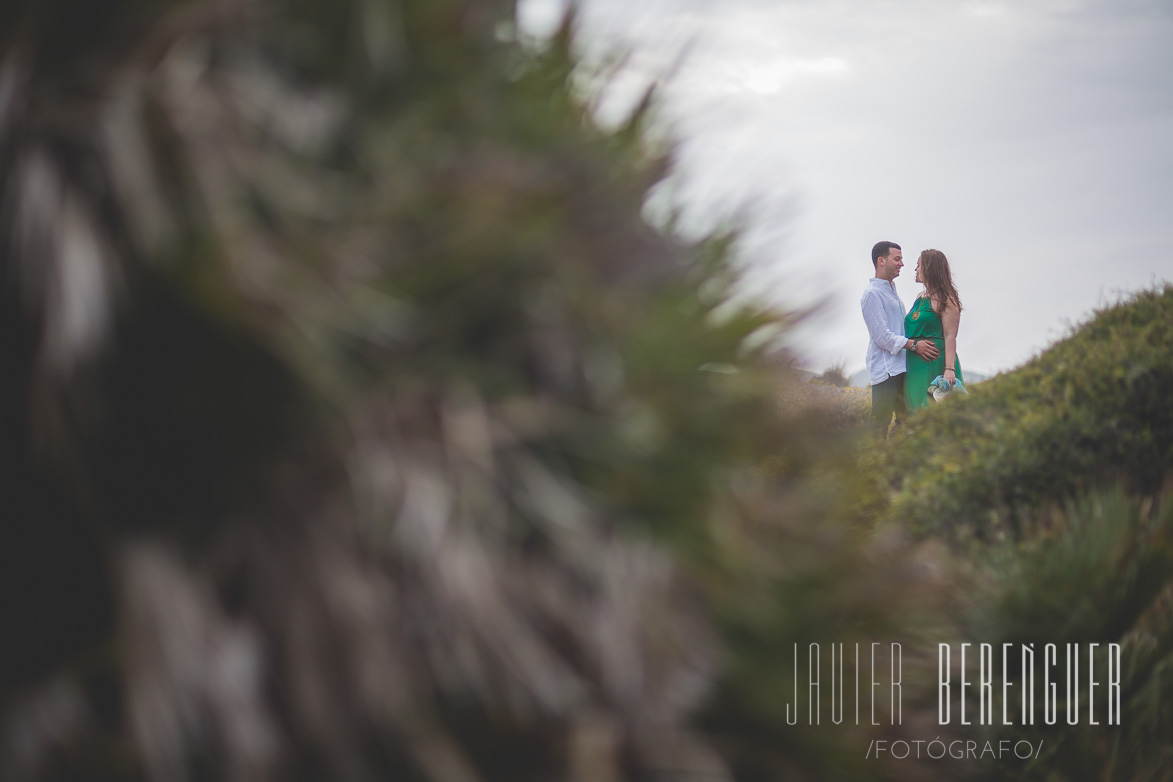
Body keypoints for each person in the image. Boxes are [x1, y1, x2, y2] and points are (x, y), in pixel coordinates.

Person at [861, 241, 939, 437]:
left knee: (905, 420)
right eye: (897, 259)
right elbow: (882, 337)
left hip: (901, 366)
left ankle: (893, 462)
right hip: (886, 369)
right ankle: (869, 466)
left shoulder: (892, 292)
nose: (902, 264)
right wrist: (914, 346)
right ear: (881, 260)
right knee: (880, 422)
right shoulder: (872, 294)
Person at [904, 249, 964, 410]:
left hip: (935, 363)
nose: (915, 269)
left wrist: (949, 369)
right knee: (914, 411)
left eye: (918, 265)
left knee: (932, 410)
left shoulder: (946, 298)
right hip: (915, 365)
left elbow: (950, 336)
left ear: (930, 268)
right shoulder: (920, 298)